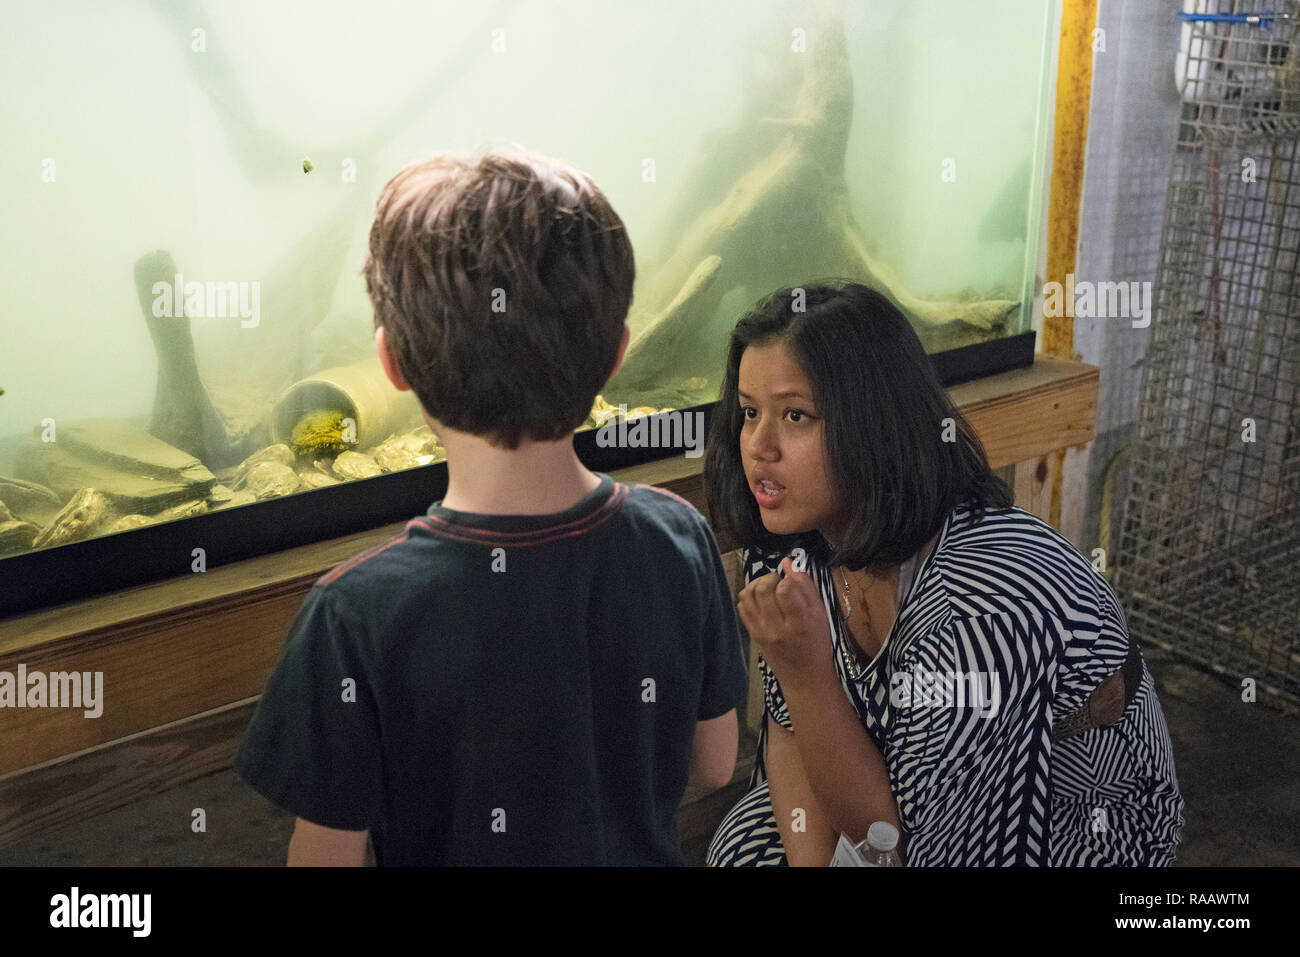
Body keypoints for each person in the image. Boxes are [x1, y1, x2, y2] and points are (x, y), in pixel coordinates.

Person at [234, 150, 748, 866]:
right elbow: (714, 761)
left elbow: (326, 857)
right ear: (616, 356)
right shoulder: (679, 537)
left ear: (392, 365)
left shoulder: (352, 613)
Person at [704, 281, 1184, 866]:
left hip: (1065, 826)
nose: (758, 444)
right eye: (750, 411)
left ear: (874, 424)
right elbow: (790, 731)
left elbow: (909, 847)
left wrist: (804, 672)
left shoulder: (980, 606)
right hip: (902, 788)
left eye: (796, 415)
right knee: (745, 845)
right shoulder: (791, 539)